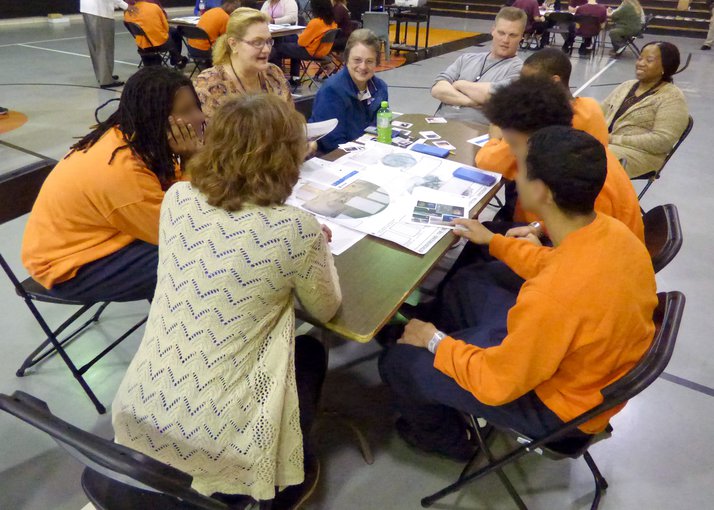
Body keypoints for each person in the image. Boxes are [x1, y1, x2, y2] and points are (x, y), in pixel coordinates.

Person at [112, 93, 342, 508]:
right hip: (220, 435)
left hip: (141, 404)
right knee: (308, 352)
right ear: (286, 157)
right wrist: (317, 249)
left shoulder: (177, 200)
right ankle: (285, 486)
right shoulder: (295, 228)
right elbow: (326, 308)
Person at [379, 125, 658, 461]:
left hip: (559, 408)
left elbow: (497, 384)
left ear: (542, 191)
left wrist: (435, 341)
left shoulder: (552, 299)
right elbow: (554, 263)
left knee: (398, 362)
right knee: (470, 282)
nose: (514, 175)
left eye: (520, 169)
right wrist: (494, 241)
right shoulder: (614, 232)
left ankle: (450, 441)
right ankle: (440, 353)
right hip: (588, 365)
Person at [439, 75, 643, 297]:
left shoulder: (586, 188)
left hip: (584, 287)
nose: (514, 158)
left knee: (472, 281)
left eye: (514, 147)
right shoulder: (578, 156)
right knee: (485, 239)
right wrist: (539, 227)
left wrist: (435, 335)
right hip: (571, 261)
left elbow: (571, 271)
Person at [21, 67, 205, 303]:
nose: (199, 117)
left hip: (101, 240)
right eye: (186, 111)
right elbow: (179, 229)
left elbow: (169, 188)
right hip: (69, 268)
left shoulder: (131, 136)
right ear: (155, 118)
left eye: (195, 107)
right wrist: (192, 163)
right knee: (193, 256)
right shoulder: (122, 170)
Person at [476, 48, 609, 221]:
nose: (522, 88)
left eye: (529, 82)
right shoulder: (591, 106)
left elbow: (488, 163)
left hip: (548, 217)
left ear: (554, 81)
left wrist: (495, 137)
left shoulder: (540, 125)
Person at [602, 41, 689, 178]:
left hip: (642, 155)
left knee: (589, 161)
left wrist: (613, 139)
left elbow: (662, 141)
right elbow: (599, 113)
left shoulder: (672, 97)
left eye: (649, 60)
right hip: (605, 145)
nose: (640, 63)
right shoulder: (626, 86)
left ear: (665, 67)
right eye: (640, 58)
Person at [194, 8, 293, 121]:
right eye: (257, 42)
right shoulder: (209, 84)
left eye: (268, 41)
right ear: (234, 44)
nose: (266, 49)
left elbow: (291, 123)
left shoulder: (274, 73)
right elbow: (212, 136)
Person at [431, 7, 526, 125]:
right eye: (501, 33)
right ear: (493, 31)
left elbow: (495, 96)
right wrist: (472, 102)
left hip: (477, 132)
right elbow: (437, 89)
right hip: (439, 124)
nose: (505, 40)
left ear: (522, 37)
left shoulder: (520, 70)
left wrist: (459, 84)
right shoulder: (466, 59)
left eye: (512, 35)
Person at [309, 29, 388, 153]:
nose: (363, 67)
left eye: (369, 61)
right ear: (346, 59)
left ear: (376, 62)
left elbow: (379, 128)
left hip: (368, 152)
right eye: (357, 60)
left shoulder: (380, 88)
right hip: (334, 157)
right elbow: (332, 142)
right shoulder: (332, 91)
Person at [273, 0, 338, 86]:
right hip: (323, 52)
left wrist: (301, 36)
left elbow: (301, 42)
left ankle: (277, 79)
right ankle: (295, 77)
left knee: (277, 48)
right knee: (293, 47)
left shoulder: (315, 22)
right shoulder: (333, 23)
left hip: (310, 52)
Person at [80, 0, 137, 88]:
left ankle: (103, 75)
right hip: (99, 11)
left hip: (89, 9)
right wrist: (125, 6)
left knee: (95, 45)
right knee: (104, 45)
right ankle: (105, 79)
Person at [124, 0, 187, 68]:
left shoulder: (127, 12)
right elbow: (166, 28)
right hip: (160, 44)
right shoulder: (154, 7)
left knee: (171, 33)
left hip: (142, 46)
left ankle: (176, 56)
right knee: (174, 33)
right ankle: (176, 57)